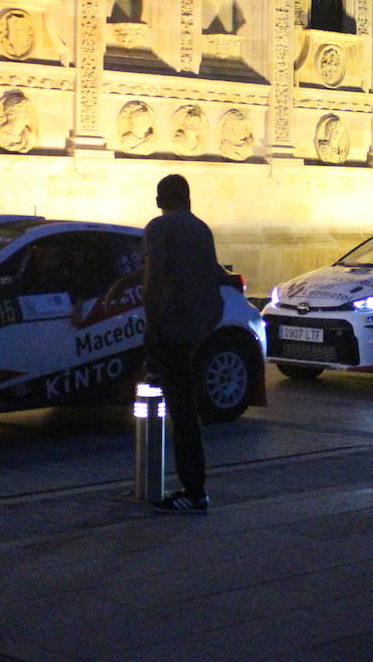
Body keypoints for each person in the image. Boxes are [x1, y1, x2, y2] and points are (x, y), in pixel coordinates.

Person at [142, 174, 228, 513]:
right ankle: (194, 487)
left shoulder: (158, 228)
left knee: (181, 411)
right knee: (187, 409)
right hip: (202, 326)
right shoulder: (201, 229)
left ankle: (194, 491)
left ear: (160, 200)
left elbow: (154, 279)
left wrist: (152, 326)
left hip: (173, 327)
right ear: (188, 199)